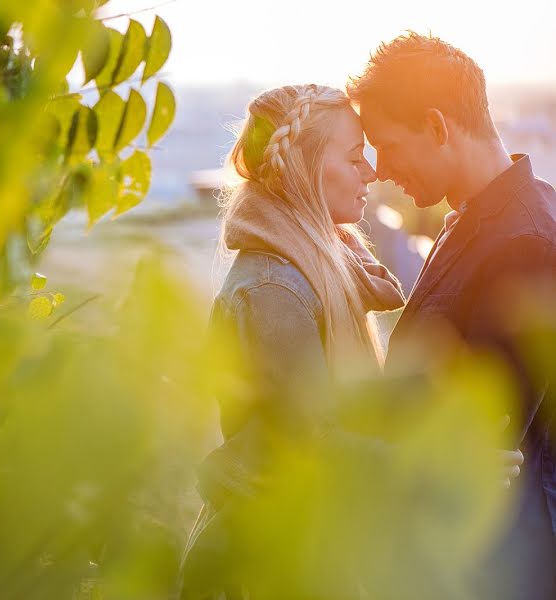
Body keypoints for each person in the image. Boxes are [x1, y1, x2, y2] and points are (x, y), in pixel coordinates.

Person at [347, 32, 556, 599]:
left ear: (438, 127)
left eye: (386, 146)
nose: (381, 169)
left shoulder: (526, 241)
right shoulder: (480, 214)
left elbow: (479, 444)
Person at [179, 84, 407, 599]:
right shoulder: (274, 290)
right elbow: (309, 444)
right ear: (305, 168)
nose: (370, 172)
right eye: (354, 158)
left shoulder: (322, 266)